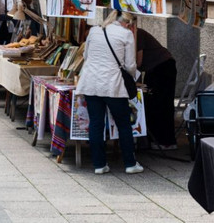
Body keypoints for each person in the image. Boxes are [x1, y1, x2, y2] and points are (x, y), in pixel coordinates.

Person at [75, 10, 143, 175]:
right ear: (127, 23)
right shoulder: (126, 34)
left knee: (96, 123)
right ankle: (130, 163)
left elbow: (85, 54)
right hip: (112, 85)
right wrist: (134, 76)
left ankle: (99, 165)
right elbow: (130, 65)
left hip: (91, 82)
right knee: (124, 124)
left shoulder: (94, 30)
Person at [136, 28, 177, 150]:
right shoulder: (133, 33)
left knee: (161, 103)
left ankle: (166, 141)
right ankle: (155, 139)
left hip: (162, 67)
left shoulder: (137, 34)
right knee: (151, 102)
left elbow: (138, 62)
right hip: (155, 67)